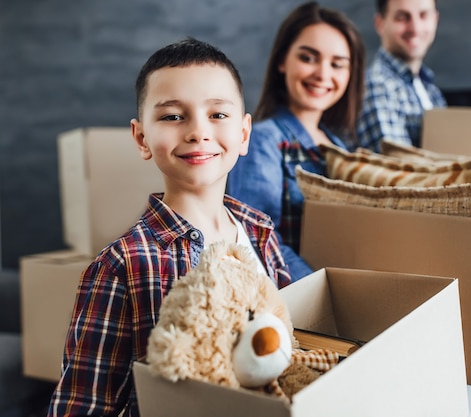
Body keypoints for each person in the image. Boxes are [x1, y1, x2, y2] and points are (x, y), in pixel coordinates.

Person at [47, 38, 292, 417]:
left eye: (218, 115)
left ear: (243, 134)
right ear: (141, 138)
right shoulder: (121, 265)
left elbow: (289, 347)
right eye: (173, 116)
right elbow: (83, 405)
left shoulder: (260, 232)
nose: (197, 131)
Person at [228, 1, 365, 280]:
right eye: (308, 58)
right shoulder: (263, 141)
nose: (323, 74)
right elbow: (256, 239)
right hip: (298, 299)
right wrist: (323, 290)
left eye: (337, 64)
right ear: (282, 61)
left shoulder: (339, 146)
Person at [357, 0, 447, 152]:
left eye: (423, 15)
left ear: (435, 19)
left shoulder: (429, 89)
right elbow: (398, 170)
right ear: (380, 23)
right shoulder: (378, 86)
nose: (415, 28)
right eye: (402, 17)